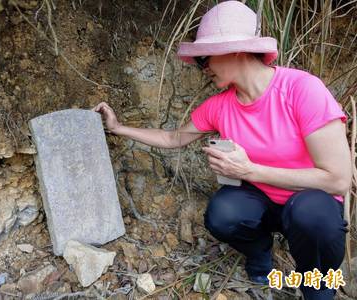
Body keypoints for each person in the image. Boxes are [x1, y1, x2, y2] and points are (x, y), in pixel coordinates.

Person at [93, 1, 351, 299]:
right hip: (264, 202)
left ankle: (316, 284)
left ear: (236, 50)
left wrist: (250, 170)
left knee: (312, 215)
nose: (202, 69)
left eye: (204, 59)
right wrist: (119, 128)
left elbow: (338, 180)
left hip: (310, 206)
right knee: (223, 213)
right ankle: (260, 254)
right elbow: (173, 138)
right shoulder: (219, 106)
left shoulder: (302, 90)